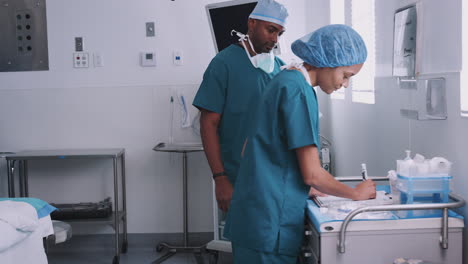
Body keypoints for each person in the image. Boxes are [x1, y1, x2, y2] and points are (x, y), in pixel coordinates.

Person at [224, 24, 377, 264]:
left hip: (254, 214)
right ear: (326, 60)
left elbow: (250, 148)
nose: (345, 84)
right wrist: (354, 193)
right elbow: (313, 174)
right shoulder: (298, 92)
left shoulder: (284, 80)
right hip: (269, 223)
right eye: (346, 75)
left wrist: (292, 186)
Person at [192, 0, 289, 212]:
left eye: (279, 34)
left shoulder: (280, 68)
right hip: (239, 176)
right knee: (248, 240)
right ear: (252, 23)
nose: (274, 39)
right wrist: (220, 178)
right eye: (270, 30)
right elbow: (208, 125)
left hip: (277, 176)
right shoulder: (223, 64)